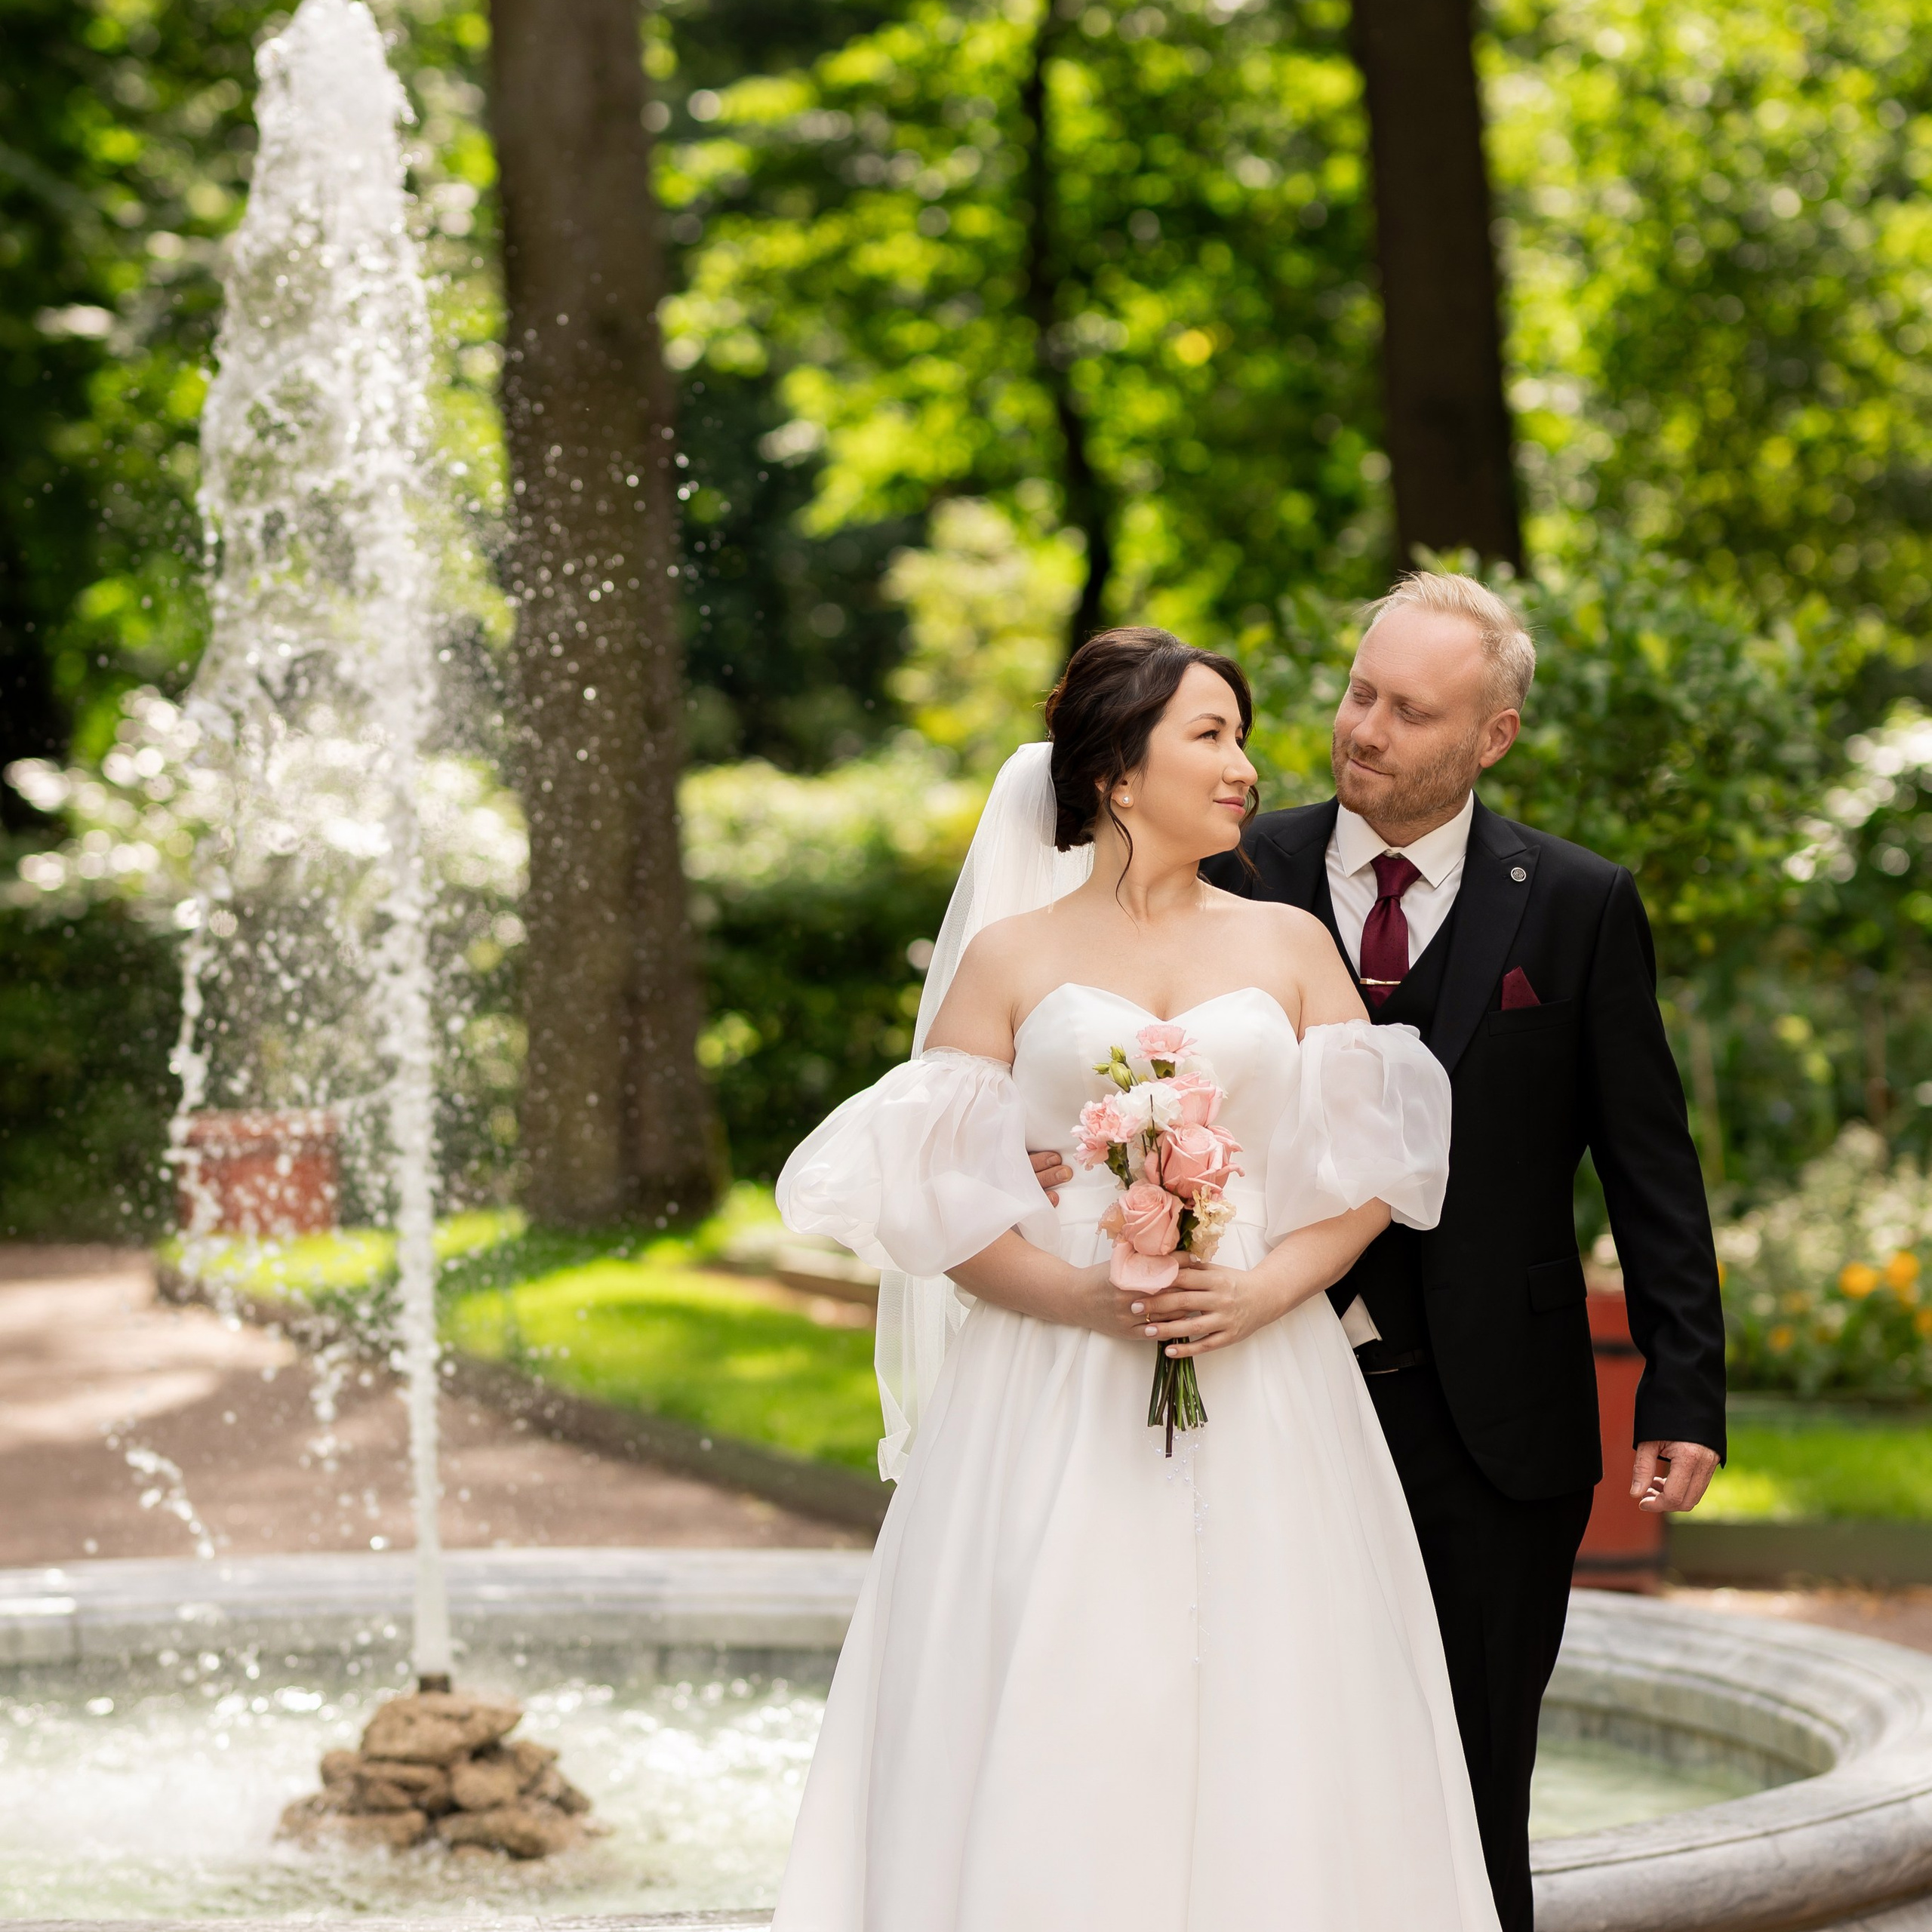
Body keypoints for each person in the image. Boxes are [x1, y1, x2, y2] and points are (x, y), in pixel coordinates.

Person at [773, 628, 1500, 1931]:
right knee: (1065, 1681)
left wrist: (1268, 1290)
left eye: (1241, 735)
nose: (1246, 768)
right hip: (1048, 1385)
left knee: (1280, 1690)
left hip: (1269, 1372)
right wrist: (1082, 1300)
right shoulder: (1009, 961)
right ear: (1118, 772)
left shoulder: (1288, 944)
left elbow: (1376, 1174)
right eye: (1210, 736)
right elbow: (939, 1208)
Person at [1152, 569, 1721, 1932]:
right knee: (1255, 1763)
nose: (1365, 730)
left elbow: (1648, 1165)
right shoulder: (1231, 870)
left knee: (1475, 1787)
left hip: (1498, 1429)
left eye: (1412, 711)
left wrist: (1684, 1390)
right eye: (1359, 693)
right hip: (1263, 1397)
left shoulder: (1579, 905)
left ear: (1492, 736)